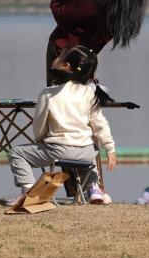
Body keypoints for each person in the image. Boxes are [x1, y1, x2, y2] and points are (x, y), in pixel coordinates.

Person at [8, 45, 116, 207]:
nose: (55, 59)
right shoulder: (89, 93)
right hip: (85, 152)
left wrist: (40, 139)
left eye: (60, 56)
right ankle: (93, 188)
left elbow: (39, 125)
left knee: (16, 152)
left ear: (65, 66)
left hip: (58, 149)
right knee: (91, 150)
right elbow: (99, 124)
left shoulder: (48, 93)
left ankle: (29, 189)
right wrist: (110, 149)